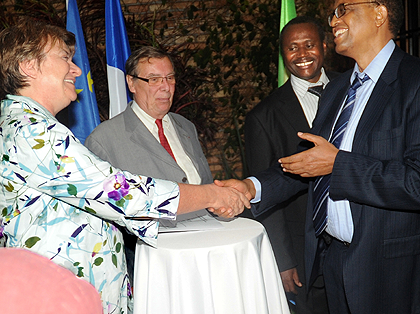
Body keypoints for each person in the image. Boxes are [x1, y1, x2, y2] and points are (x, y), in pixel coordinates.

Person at [0, 19, 250, 314]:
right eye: (65, 58)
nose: (77, 69)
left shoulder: (25, 124)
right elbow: (121, 193)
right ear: (29, 65)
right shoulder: (32, 131)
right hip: (60, 297)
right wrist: (212, 195)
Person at [218, 0, 420, 314]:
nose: (333, 21)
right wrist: (250, 187)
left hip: (393, 271)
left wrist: (338, 164)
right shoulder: (338, 89)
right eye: (332, 13)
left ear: (379, 13)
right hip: (332, 262)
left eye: (344, 10)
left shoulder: (413, 82)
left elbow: (415, 182)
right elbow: (309, 163)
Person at [85, 46, 214, 281]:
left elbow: (204, 184)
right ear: (131, 83)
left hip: (207, 254)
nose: (165, 87)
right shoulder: (104, 139)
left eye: (170, 78)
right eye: (154, 79)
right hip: (154, 266)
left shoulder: (186, 127)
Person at [244, 16, 332, 314]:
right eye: (292, 48)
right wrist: (283, 261)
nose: (302, 54)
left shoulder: (351, 93)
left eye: (309, 44)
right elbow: (266, 193)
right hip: (304, 250)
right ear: (283, 55)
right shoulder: (263, 117)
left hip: (360, 240)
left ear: (324, 45)